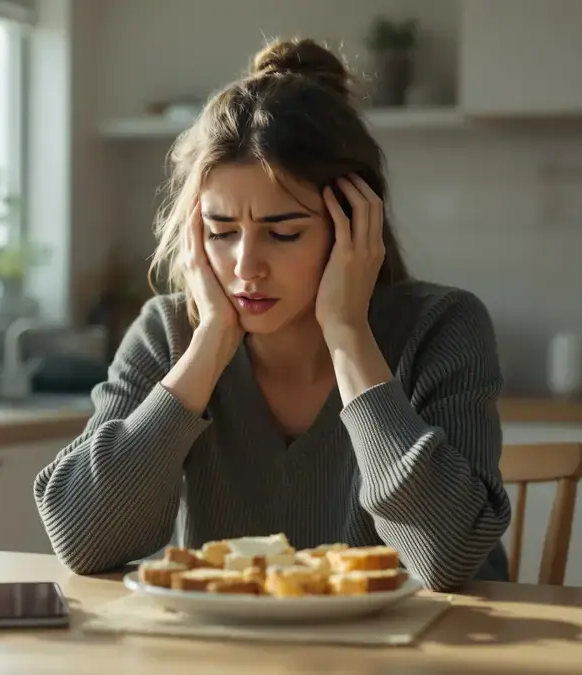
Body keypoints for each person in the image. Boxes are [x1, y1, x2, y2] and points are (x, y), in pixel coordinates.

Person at [33, 37, 511, 592]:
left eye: (284, 233)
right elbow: (82, 540)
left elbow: (448, 560)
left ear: (355, 224)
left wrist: (348, 334)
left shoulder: (442, 327)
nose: (246, 267)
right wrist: (209, 343)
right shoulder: (168, 333)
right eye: (221, 232)